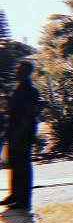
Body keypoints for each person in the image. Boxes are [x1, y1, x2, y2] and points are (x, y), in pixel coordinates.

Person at [0, 60, 40, 212]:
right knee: (14, 164)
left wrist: (17, 134)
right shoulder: (18, 88)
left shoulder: (30, 90)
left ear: (27, 72)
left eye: (20, 69)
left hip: (23, 133)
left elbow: (28, 116)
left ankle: (23, 201)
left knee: (22, 166)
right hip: (14, 132)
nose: (16, 71)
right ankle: (14, 195)